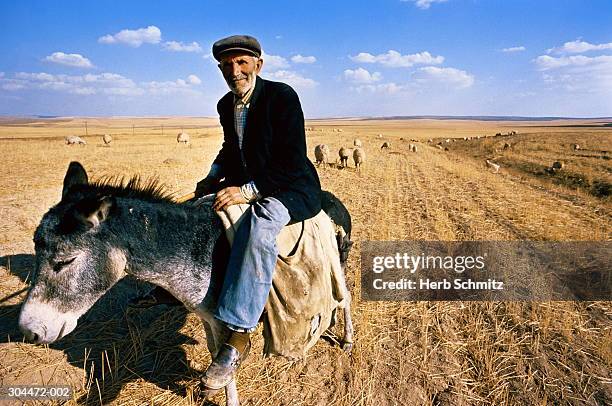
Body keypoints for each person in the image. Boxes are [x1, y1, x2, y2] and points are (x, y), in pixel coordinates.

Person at [195, 34, 322, 391]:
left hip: (290, 185)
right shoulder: (225, 105)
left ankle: (238, 335)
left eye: (242, 63)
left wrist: (246, 191)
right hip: (247, 179)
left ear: (258, 65)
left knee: (262, 224)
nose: (235, 71)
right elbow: (229, 147)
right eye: (227, 65)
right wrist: (211, 177)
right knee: (200, 210)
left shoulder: (282, 97)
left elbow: (292, 159)